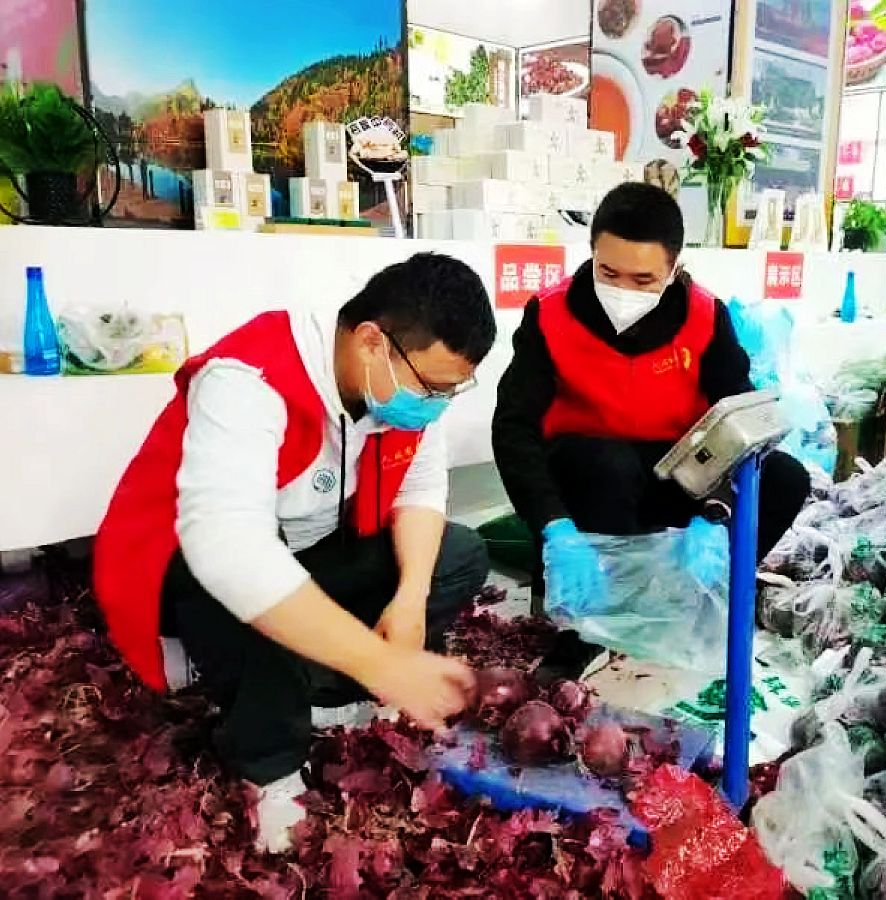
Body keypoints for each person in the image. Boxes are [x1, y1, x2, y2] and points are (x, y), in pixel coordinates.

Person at [93, 253, 496, 852]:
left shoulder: (397, 383)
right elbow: (231, 549)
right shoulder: (246, 379)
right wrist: (380, 663)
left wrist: (410, 598)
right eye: (432, 389)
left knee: (457, 554)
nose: (435, 406)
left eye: (449, 392)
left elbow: (420, 487)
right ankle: (269, 765)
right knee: (259, 572)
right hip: (198, 567)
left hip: (315, 550)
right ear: (371, 341)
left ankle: (314, 687)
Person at [492, 183, 811, 679]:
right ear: (592, 253)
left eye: (643, 279)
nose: (624, 291)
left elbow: (743, 422)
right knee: (606, 463)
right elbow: (514, 427)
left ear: (674, 267)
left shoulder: (706, 317)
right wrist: (554, 527)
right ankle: (584, 632)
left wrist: (716, 511)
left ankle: (699, 596)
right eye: (608, 272)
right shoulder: (550, 315)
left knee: (786, 478)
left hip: (680, 475)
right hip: (588, 482)